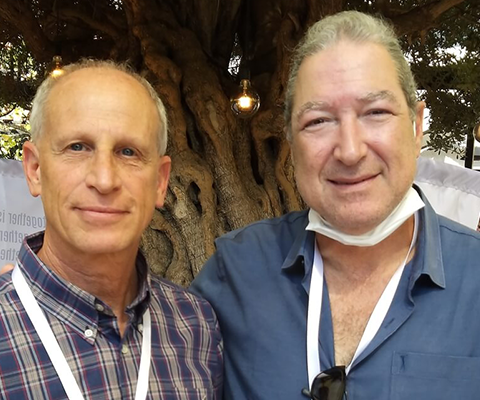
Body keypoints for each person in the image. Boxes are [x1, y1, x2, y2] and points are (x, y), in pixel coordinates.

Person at [190, 11, 480, 400]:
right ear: (290, 141)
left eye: (376, 113)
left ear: (416, 125)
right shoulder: (236, 272)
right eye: (318, 121)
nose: (350, 150)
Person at [0, 60, 223, 399]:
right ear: (35, 169)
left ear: (160, 182)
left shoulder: (196, 327)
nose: (104, 180)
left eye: (128, 152)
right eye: (77, 147)